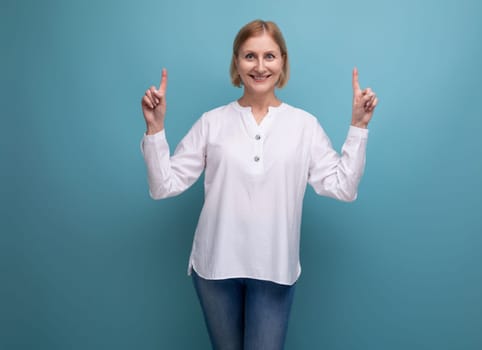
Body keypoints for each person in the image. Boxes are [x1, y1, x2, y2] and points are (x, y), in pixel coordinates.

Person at [141, 19, 378, 350]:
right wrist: (155, 129)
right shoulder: (212, 122)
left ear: (282, 62)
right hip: (215, 266)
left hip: (274, 267)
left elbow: (343, 187)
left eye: (269, 56)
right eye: (250, 56)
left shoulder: (303, 126)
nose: (260, 66)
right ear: (237, 62)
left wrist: (358, 127)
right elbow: (164, 185)